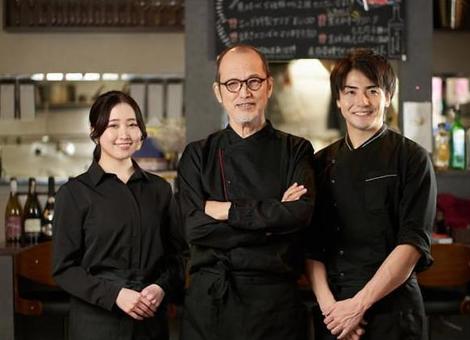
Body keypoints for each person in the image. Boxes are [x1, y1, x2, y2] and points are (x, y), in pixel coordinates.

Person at [177, 44, 315, 340]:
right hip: (212, 304)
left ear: (269, 86)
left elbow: (300, 214)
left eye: (253, 82)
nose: (244, 93)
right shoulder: (197, 156)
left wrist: (226, 211)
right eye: (233, 84)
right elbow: (194, 228)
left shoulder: (296, 150)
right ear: (219, 92)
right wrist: (274, 216)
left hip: (275, 306)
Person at [305, 49, 436, 340]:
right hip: (335, 314)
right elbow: (312, 247)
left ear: (387, 96)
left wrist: (358, 305)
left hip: (393, 312)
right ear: (338, 100)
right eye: (350, 92)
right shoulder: (320, 163)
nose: (361, 102)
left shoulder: (412, 159)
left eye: (372, 91)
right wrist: (333, 311)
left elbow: (412, 244)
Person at [52, 90, 185, 340]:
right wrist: (115, 295)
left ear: (141, 132)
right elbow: (64, 269)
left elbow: (178, 256)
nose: (124, 134)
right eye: (113, 125)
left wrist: (160, 287)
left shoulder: (159, 190)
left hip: (150, 322)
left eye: (132, 124)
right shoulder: (74, 194)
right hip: (97, 323)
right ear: (96, 131)